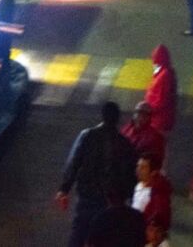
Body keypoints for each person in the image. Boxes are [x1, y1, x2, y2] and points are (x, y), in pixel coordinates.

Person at [57, 102, 137, 247]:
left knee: (78, 233)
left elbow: (73, 163)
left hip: (87, 197)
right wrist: (129, 200)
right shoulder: (125, 144)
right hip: (110, 201)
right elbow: (129, 175)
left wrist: (64, 189)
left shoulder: (87, 136)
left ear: (102, 116)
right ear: (117, 119)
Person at [130, 153, 172, 232]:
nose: (138, 170)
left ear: (154, 172)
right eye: (138, 166)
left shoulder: (158, 193)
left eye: (143, 167)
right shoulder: (138, 185)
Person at [121, 102, 166, 170]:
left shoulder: (155, 137)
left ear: (150, 117)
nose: (140, 116)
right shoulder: (126, 130)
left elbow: (156, 162)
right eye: (138, 112)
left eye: (145, 114)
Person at [145, 44, 178, 135]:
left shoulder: (165, 76)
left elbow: (162, 99)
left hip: (159, 120)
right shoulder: (163, 72)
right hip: (157, 118)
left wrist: (148, 110)